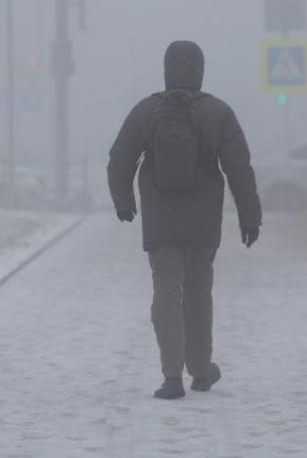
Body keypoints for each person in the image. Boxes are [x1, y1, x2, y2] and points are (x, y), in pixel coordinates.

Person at [107, 40, 262, 400]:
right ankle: (202, 370)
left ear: (166, 69)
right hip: (203, 222)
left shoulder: (147, 111)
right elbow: (239, 167)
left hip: (161, 222)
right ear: (201, 70)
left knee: (166, 293)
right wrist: (249, 216)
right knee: (198, 293)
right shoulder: (218, 113)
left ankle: (172, 377)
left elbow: (120, 159)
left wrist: (123, 200)